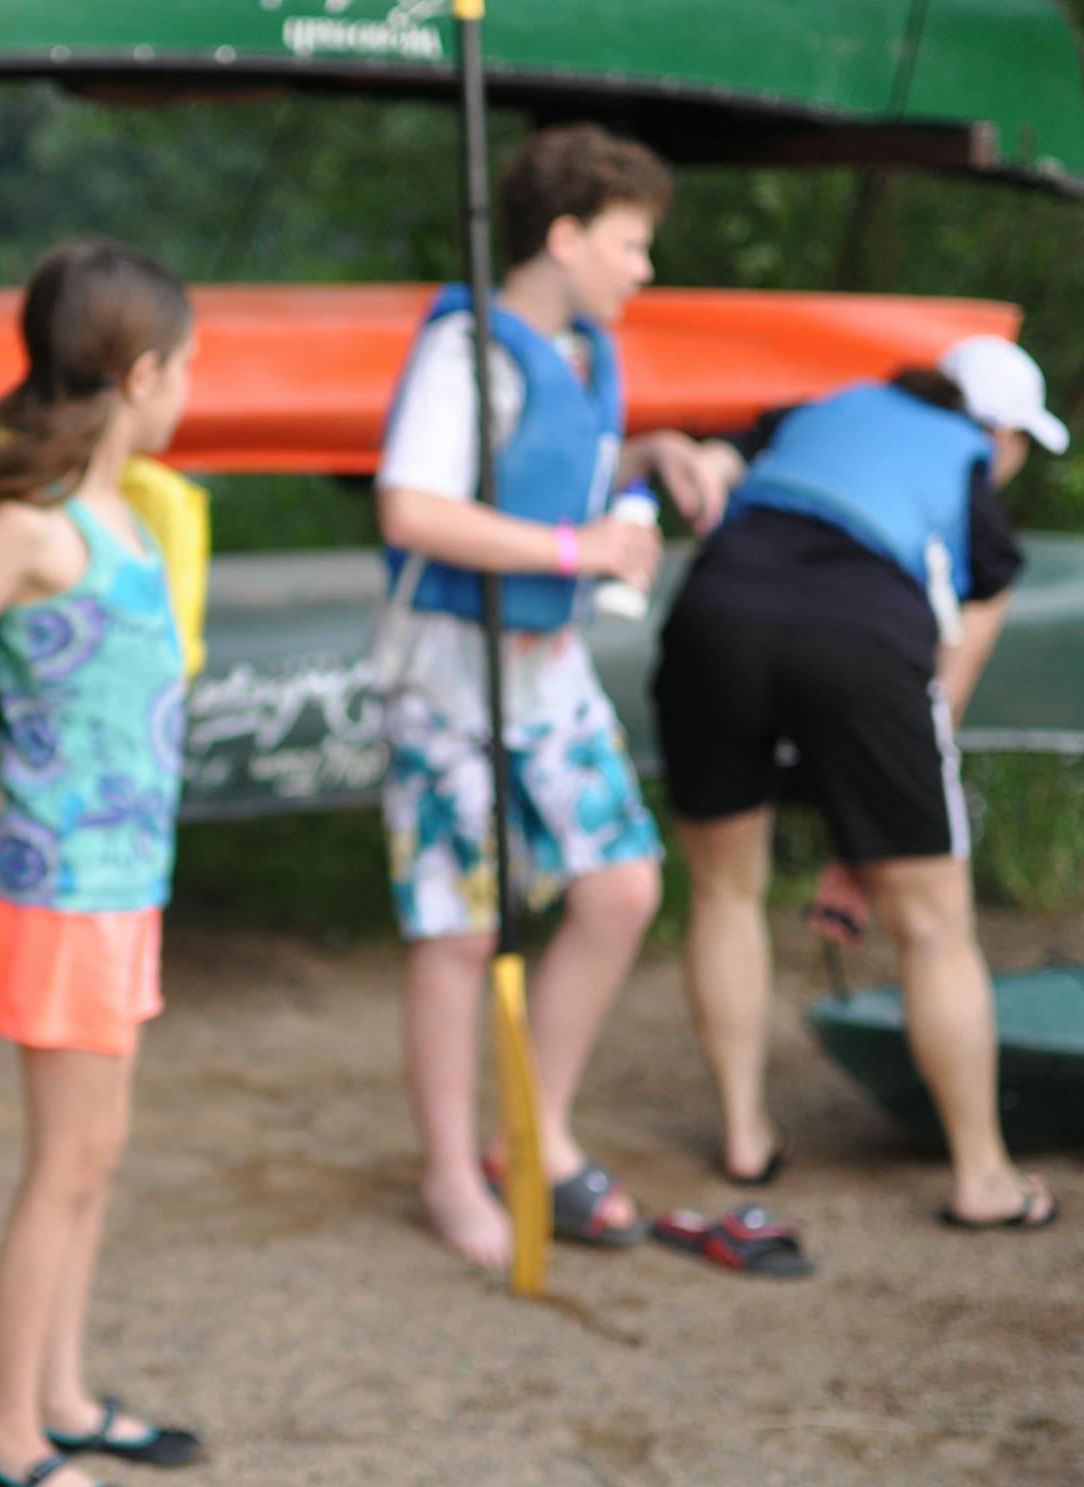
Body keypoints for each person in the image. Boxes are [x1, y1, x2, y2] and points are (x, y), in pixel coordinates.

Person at [372, 124, 731, 1271]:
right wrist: (580, 547)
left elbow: (557, 470)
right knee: (461, 924)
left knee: (622, 885)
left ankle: (533, 1126)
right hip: (449, 667)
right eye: (631, 244)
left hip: (547, 667)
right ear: (566, 237)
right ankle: (446, 1173)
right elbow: (413, 509)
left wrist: (657, 455)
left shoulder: (582, 352)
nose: (645, 268)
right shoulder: (467, 351)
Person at [652, 335, 1068, 1231]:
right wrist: (881, 825)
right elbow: (947, 677)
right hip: (859, 633)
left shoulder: (821, 408)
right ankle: (985, 1176)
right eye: (1020, 442)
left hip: (713, 612)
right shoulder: (965, 469)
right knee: (934, 925)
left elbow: (716, 461)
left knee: (725, 892)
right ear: (995, 432)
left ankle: (743, 1134)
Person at [0, 241, 202, 1487]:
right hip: (60, 894)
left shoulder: (131, 518)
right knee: (65, 1161)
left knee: (98, 1155)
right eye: (185, 369)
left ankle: (67, 1396)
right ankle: (7, 1434)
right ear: (143, 374)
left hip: (123, 886)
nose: (188, 390)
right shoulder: (27, 531)